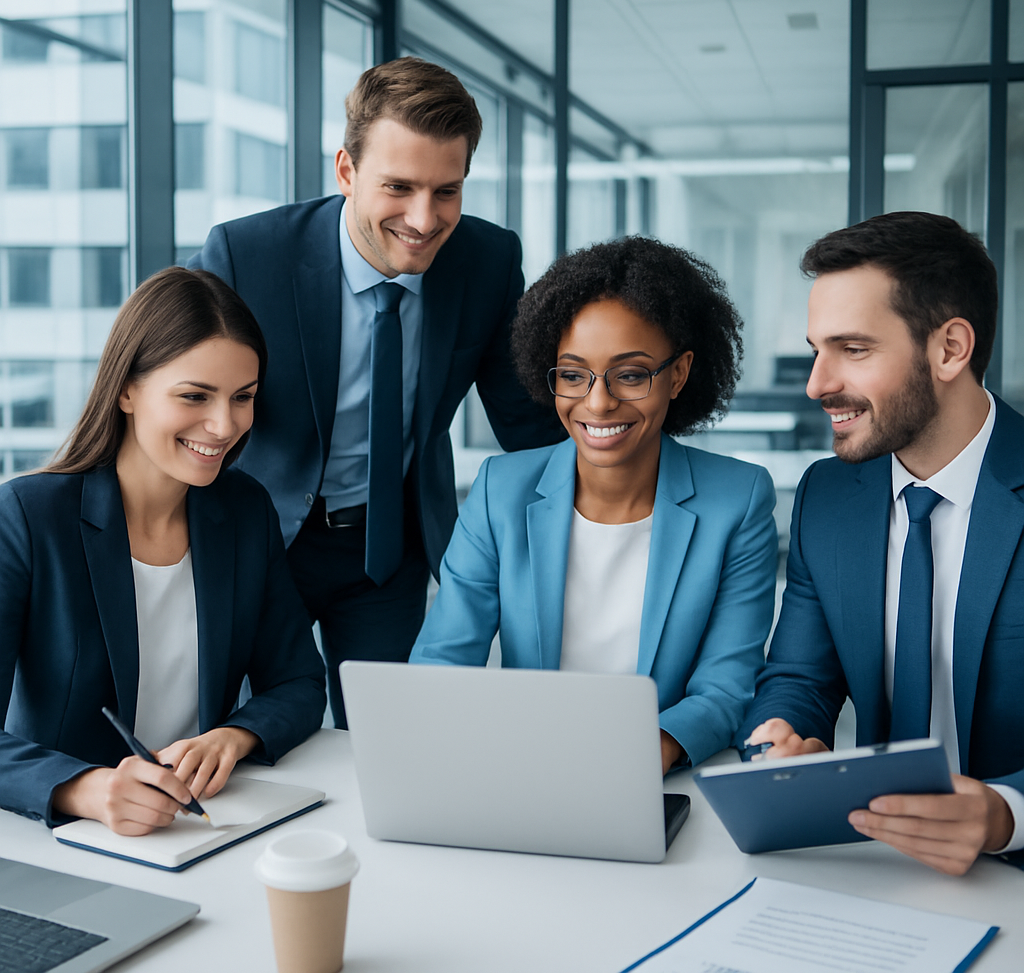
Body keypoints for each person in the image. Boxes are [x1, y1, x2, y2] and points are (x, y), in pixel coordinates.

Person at [189, 56, 563, 727]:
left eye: (447, 191)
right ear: (347, 171)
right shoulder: (248, 256)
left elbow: (528, 421)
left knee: (391, 737)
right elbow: (178, 394)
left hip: (390, 547)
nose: (424, 219)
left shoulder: (487, 261)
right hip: (263, 537)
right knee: (250, 731)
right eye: (399, 187)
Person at [410, 237, 778, 772]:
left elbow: (726, 686)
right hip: (524, 768)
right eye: (573, 374)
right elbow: (443, 660)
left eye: (631, 374)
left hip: (655, 777)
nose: (599, 401)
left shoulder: (737, 502)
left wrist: (636, 758)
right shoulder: (500, 490)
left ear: (677, 375)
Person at [740, 211, 1024, 874]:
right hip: (875, 868)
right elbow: (799, 678)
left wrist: (1006, 813)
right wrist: (777, 739)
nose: (817, 384)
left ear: (950, 348)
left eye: (854, 349)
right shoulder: (829, 498)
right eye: (817, 349)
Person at [0, 268, 326, 835]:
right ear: (127, 389)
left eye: (242, 398)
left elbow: (298, 680)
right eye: (195, 396)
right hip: (66, 837)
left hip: (204, 823)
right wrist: (87, 789)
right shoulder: (30, 516)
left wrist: (236, 734)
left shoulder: (245, 510)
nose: (224, 426)